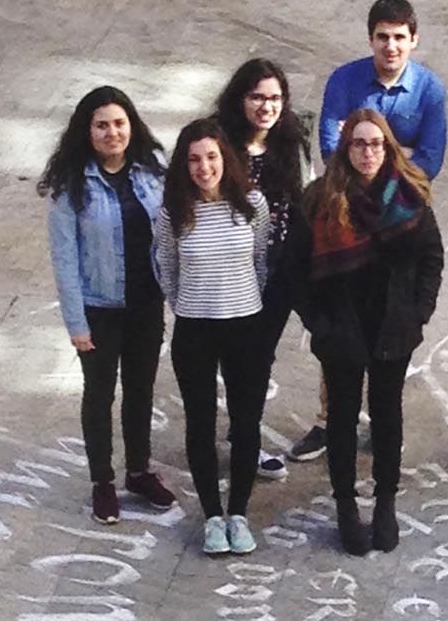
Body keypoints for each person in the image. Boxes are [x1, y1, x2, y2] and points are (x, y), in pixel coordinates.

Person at [290, 0, 447, 465]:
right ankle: (328, 421)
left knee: (386, 336)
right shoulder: (345, 80)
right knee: (340, 332)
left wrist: (382, 171)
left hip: (398, 223)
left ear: (413, 40)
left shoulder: (430, 90)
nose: (391, 46)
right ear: (370, 39)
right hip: (343, 214)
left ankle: (383, 427)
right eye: (383, 37)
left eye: (400, 37)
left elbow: (432, 157)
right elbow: (330, 145)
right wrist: (381, 161)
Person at [283, 109, 443, 555]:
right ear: (345, 148)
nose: (368, 152)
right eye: (359, 144)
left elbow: (432, 257)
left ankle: (386, 501)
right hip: (342, 326)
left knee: (388, 417)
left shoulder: (408, 196)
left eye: (376, 144)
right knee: (342, 419)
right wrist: (319, 321)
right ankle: (346, 505)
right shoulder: (320, 199)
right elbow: (295, 270)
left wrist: (419, 313)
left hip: (393, 325)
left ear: (388, 147)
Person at [39, 86, 175, 525]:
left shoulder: (152, 172)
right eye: (102, 125)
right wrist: (76, 324)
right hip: (98, 307)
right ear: (87, 131)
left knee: (141, 390)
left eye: (119, 123)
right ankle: (103, 481)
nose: (112, 132)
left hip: (145, 303)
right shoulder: (71, 185)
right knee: (99, 396)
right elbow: (65, 259)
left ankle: (139, 472)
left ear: (131, 125)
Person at [153, 119, 270, 556]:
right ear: (185, 165)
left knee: (245, 422)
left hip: (245, 325)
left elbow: (260, 261)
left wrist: (241, 298)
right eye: (195, 159)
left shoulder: (252, 204)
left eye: (212, 157)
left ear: (226, 159)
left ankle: (237, 513)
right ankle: (211, 517)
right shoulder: (174, 213)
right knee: (200, 424)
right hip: (195, 328)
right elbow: (167, 268)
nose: (204, 167)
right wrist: (191, 302)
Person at [214, 58, 314, 481]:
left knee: (270, 355)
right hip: (238, 273)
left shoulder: (291, 142)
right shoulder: (219, 143)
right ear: (240, 99)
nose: (266, 107)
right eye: (257, 97)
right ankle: (244, 441)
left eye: (274, 98)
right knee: (246, 360)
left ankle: (250, 436)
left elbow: (305, 196)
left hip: (285, 268)